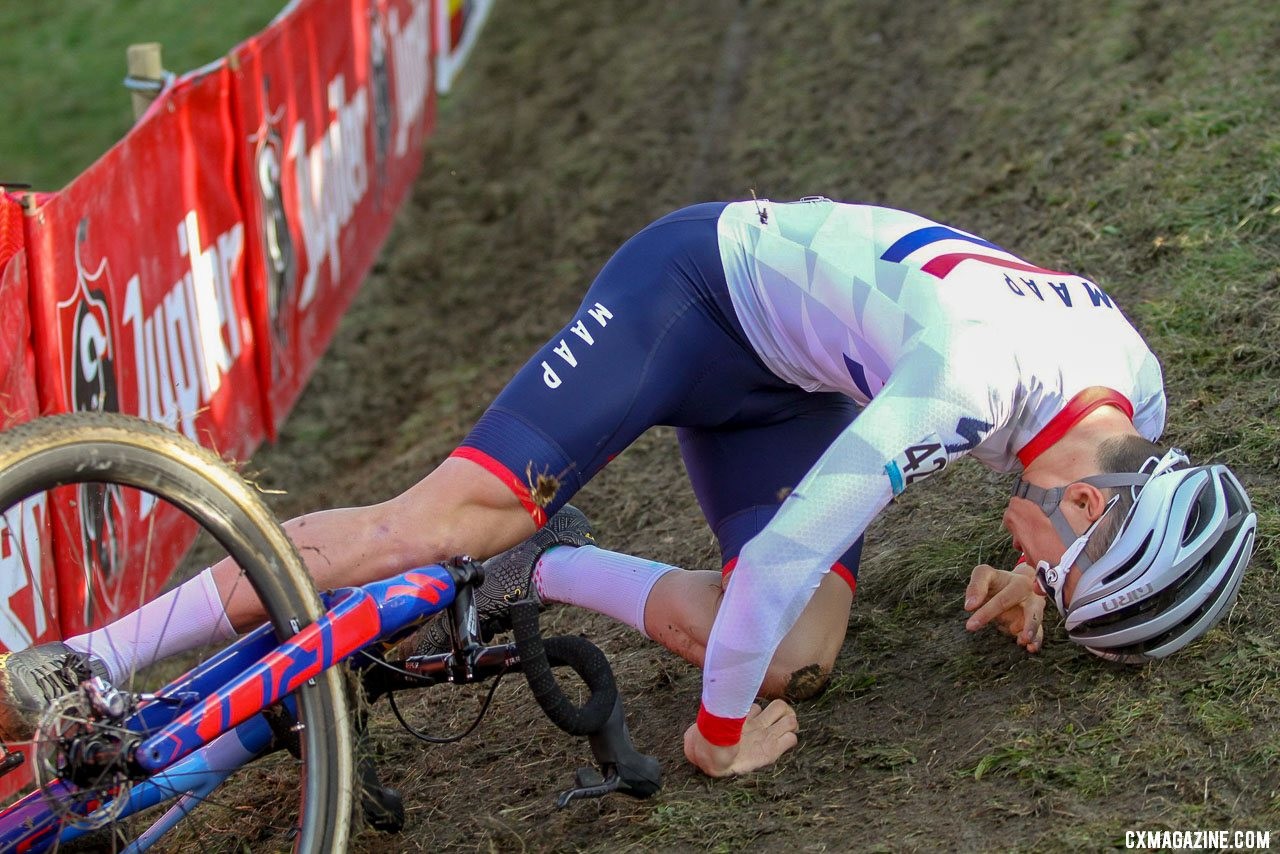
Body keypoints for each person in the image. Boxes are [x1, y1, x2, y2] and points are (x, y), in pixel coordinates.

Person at [0, 198, 1257, 777]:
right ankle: (85, 654)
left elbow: (790, 596)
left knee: (791, 657)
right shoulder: (976, 380)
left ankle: (547, 566)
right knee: (430, 527)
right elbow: (777, 558)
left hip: (802, 384)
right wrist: (710, 743)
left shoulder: (1128, 405)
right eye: (1049, 560)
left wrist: (1037, 578)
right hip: (690, 295)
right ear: (1088, 504)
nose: (1025, 554)